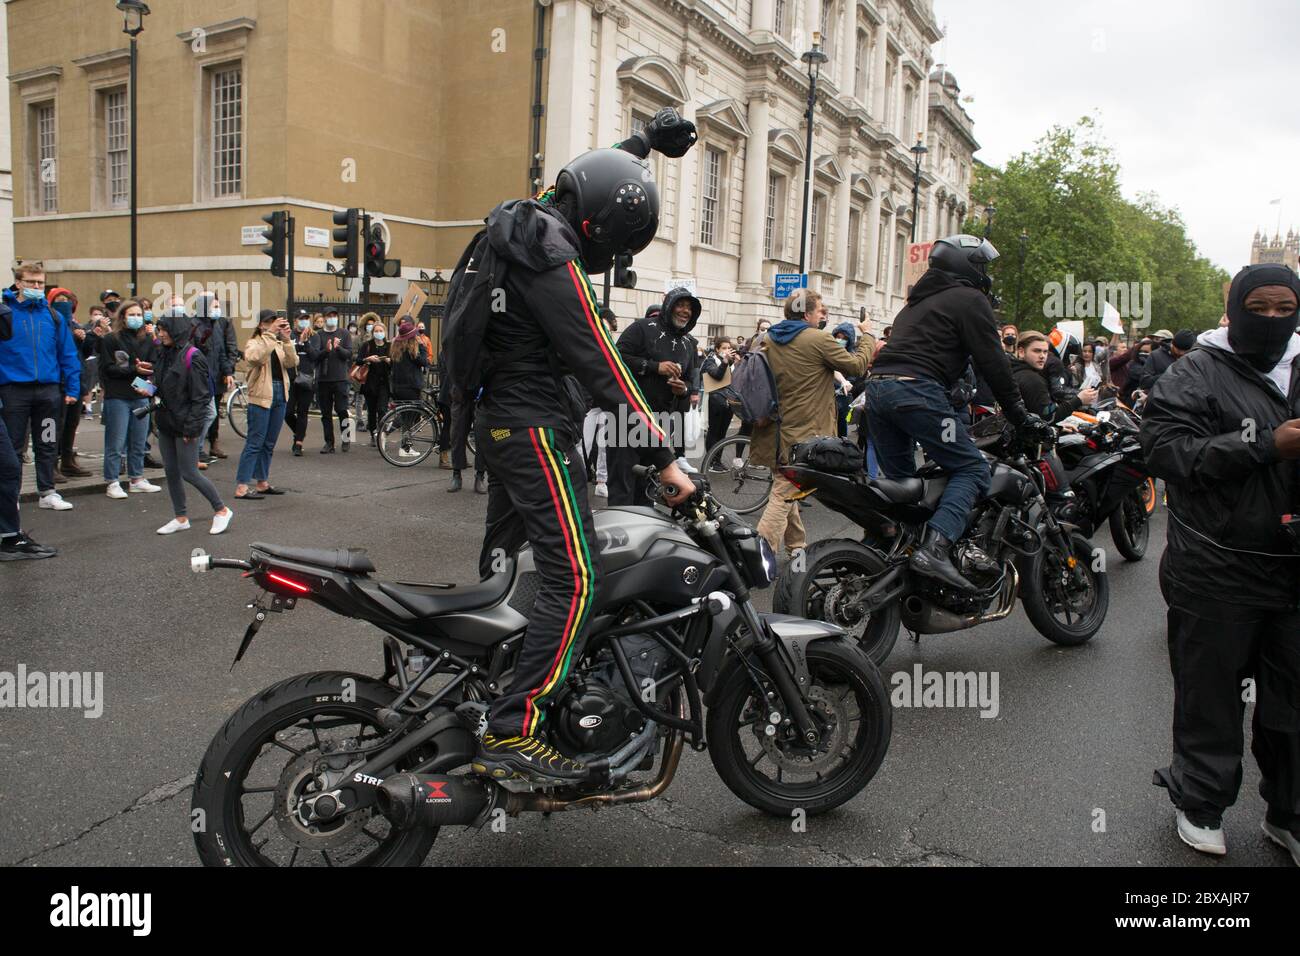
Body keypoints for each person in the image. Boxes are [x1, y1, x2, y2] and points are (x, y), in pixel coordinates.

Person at [464, 118, 698, 783]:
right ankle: (515, 726)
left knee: (515, 565)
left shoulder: (530, 224)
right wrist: (663, 456)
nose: (607, 255)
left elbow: (589, 177)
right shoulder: (549, 250)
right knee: (576, 576)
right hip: (533, 426)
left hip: (508, 423)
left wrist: (643, 144)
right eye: (615, 241)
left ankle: (496, 676)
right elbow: (598, 359)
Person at [1140, 264, 1300, 863]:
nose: (1274, 319)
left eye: (1287, 308)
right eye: (1261, 306)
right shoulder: (1194, 373)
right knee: (1211, 695)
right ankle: (1201, 803)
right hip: (1217, 566)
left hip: (1293, 570)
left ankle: (1289, 814)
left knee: (1292, 701)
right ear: (1235, 307)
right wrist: (1264, 445)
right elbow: (1165, 451)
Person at [866, 235, 1047, 591]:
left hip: (878, 392)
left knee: (908, 490)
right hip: (917, 393)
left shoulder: (914, 305)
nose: (987, 273)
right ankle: (935, 550)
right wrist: (1020, 414)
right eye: (983, 265)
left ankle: (895, 553)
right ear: (968, 266)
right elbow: (993, 363)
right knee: (972, 467)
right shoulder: (970, 299)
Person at [748, 290, 873, 556]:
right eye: (820, 311)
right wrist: (867, 335)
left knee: (786, 485)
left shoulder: (765, 338)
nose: (823, 315)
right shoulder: (817, 339)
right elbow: (857, 366)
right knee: (784, 493)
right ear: (806, 314)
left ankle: (796, 546)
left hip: (771, 429)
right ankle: (758, 556)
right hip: (804, 433)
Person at [608, 287, 701, 505]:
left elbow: (688, 380)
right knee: (622, 484)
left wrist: (683, 389)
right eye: (680, 305)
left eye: (689, 308)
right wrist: (654, 367)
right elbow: (616, 358)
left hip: (659, 423)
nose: (685, 311)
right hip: (624, 418)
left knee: (648, 486)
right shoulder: (642, 328)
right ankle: (620, 535)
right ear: (669, 305)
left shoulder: (688, 343)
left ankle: (643, 530)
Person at [0, 261, 80, 513]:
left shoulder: (53, 316)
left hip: (48, 392)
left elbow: (67, 353)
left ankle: (47, 492)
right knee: (12, 447)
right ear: (19, 283)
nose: (36, 286)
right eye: (31, 282)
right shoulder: (5, 313)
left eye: (40, 283)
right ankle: (9, 496)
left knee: (47, 442)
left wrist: (72, 388)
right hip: (14, 391)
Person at [152, 313, 232, 535]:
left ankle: (222, 510)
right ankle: (180, 517)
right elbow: (161, 388)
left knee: (189, 472)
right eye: (159, 330)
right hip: (166, 421)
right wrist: (145, 387)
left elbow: (201, 397)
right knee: (171, 471)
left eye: (163, 330)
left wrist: (192, 428)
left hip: (185, 423)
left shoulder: (192, 356)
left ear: (175, 330)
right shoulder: (164, 354)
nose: (160, 334)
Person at [99, 299, 162, 499]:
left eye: (139, 314)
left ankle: (137, 478)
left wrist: (148, 378)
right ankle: (112, 481)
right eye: (131, 314)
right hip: (117, 395)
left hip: (139, 394)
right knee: (116, 442)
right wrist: (134, 369)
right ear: (123, 317)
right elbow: (108, 369)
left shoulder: (147, 340)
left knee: (138, 440)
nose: (136, 318)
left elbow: (154, 364)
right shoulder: (111, 339)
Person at [235, 310, 297, 501]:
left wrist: (286, 340)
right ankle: (242, 486)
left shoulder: (278, 343)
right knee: (255, 442)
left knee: (269, 443)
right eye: (269, 322)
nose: (274, 325)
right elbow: (256, 358)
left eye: (275, 322)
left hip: (280, 393)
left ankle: (262, 482)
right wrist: (270, 334)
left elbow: (292, 362)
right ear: (261, 325)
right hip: (261, 395)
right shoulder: (255, 342)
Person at [46, 287, 92, 479]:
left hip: (76, 381)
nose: (64, 302)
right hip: (58, 383)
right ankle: (51, 464)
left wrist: (88, 338)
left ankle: (67, 460)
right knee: (55, 426)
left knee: (71, 424)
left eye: (67, 299)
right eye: (59, 299)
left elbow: (85, 354)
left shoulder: (75, 325)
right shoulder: (51, 323)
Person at [190, 293, 238, 461]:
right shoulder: (194, 326)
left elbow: (221, 352)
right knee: (205, 414)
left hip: (213, 377)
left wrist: (228, 371)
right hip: (199, 379)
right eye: (215, 307)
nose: (218, 310)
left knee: (210, 413)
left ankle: (198, 449)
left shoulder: (216, 325)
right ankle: (195, 450)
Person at [1010, 331, 1098, 422]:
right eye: (1037, 351)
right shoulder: (1032, 379)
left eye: (1045, 352)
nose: (1042, 356)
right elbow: (1048, 416)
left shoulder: (1015, 370)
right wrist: (1079, 399)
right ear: (1021, 352)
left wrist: (1059, 428)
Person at [309, 307, 353, 453]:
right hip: (323, 379)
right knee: (326, 413)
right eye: (329, 316)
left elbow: (349, 354)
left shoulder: (344, 333)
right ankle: (329, 442)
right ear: (325, 318)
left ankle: (346, 439)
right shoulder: (318, 335)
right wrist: (326, 351)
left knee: (342, 410)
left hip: (340, 378)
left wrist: (338, 348)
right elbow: (315, 356)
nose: (332, 318)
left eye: (334, 315)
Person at [389, 319, 430, 458]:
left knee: (405, 415)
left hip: (397, 387)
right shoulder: (413, 348)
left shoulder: (395, 348)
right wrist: (423, 346)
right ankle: (405, 447)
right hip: (411, 387)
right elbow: (424, 361)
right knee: (411, 418)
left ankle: (390, 433)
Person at [284, 310, 317, 456]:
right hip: (291, 379)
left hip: (307, 378)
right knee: (288, 412)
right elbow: (287, 354)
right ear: (295, 320)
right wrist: (299, 343)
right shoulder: (289, 335)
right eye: (301, 319)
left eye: (306, 319)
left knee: (302, 411)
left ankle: (298, 443)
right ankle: (299, 432)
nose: (303, 322)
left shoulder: (314, 336)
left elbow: (315, 356)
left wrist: (306, 342)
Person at [356, 316, 391, 445]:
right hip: (370, 383)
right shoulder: (367, 345)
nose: (378, 333)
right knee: (372, 410)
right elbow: (358, 361)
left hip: (384, 383)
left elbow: (395, 363)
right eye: (376, 331)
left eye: (381, 331)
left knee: (382, 409)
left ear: (385, 332)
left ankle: (381, 434)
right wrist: (368, 359)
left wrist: (389, 361)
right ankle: (373, 433)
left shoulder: (389, 345)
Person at [701, 335, 738, 454]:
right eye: (724, 348)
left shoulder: (732, 362)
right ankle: (710, 461)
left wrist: (737, 363)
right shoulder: (711, 360)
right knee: (714, 431)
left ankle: (717, 460)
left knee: (723, 432)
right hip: (715, 400)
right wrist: (725, 361)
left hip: (728, 401)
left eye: (729, 348)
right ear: (717, 349)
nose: (727, 350)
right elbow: (717, 375)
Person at [1138, 328, 1196, 393]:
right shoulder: (1155, 355)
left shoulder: (1191, 358)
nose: (1181, 353)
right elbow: (1144, 383)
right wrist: (1169, 375)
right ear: (1173, 344)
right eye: (1178, 350)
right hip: (1158, 400)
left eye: (1184, 351)